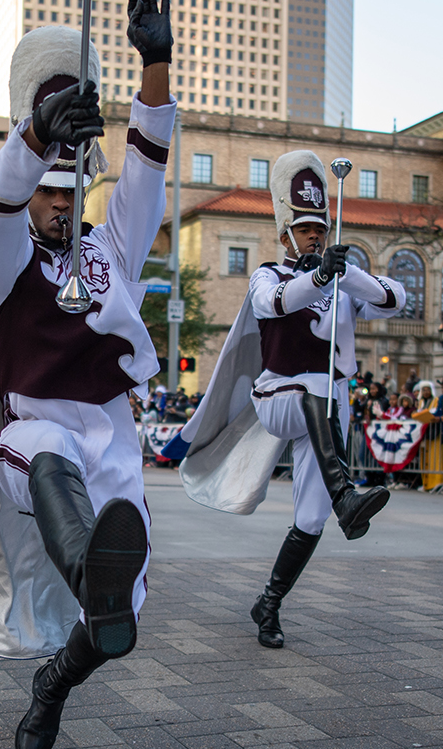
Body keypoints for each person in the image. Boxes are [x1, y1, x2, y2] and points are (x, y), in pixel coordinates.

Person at [0, 0, 173, 749]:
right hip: (35, 428)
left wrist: (154, 65)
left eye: (69, 187)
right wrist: (32, 135)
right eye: (46, 189)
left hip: (113, 432)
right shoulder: (4, 258)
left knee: (118, 621)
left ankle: (53, 683)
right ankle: (91, 564)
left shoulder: (111, 251)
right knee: (45, 451)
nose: (58, 201)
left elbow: (146, 174)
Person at [166, 148, 404, 650]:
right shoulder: (269, 273)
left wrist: (348, 272)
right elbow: (270, 304)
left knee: (310, 518)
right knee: (315, 386)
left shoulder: (343, 282)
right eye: (305, 230)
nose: (314, 236)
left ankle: (268, 604)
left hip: (328, 407)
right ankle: (347, 494)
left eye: (321, 228)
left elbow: (396, 299)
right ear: (285, 235)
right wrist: (318, 277)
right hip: (278, 396)